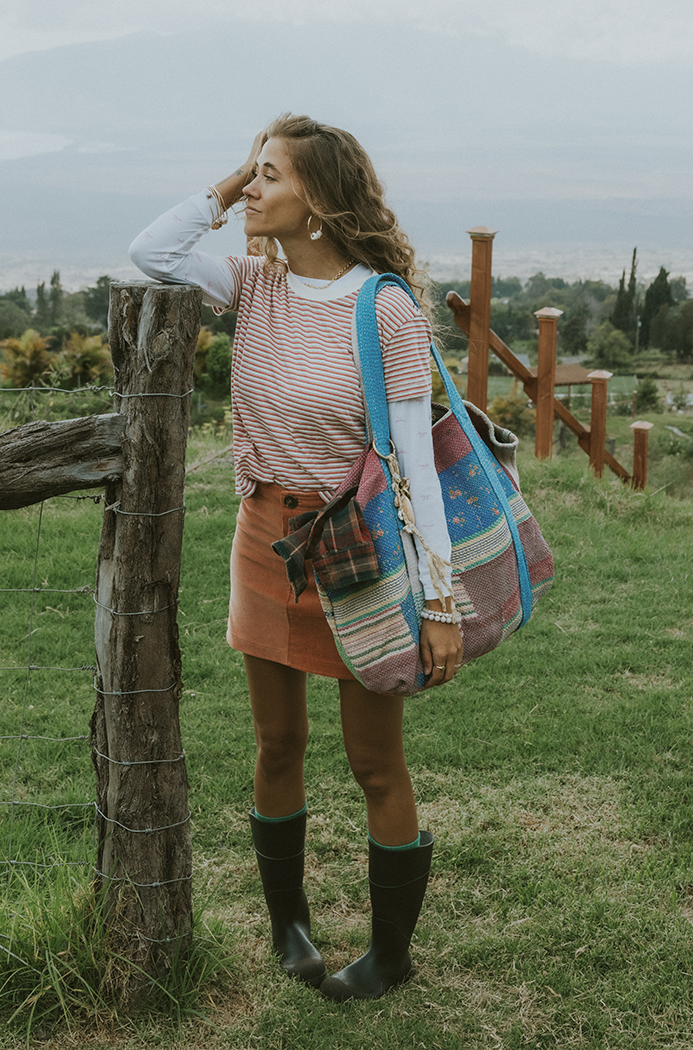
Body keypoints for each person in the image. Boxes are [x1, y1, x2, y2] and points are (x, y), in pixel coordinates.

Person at [129, 113, 463, 1001]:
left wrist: (440, 602)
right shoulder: (254, 285)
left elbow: (415, 468)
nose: (252, 187)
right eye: (252, 174)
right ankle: (291, 928)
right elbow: (151, 251)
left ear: (317, 199)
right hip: (263, 542)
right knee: (277, 744)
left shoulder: (384, 309)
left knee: (374, 761)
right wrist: (229, 183)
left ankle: (390, 955)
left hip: (359, 552)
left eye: (270, 175)